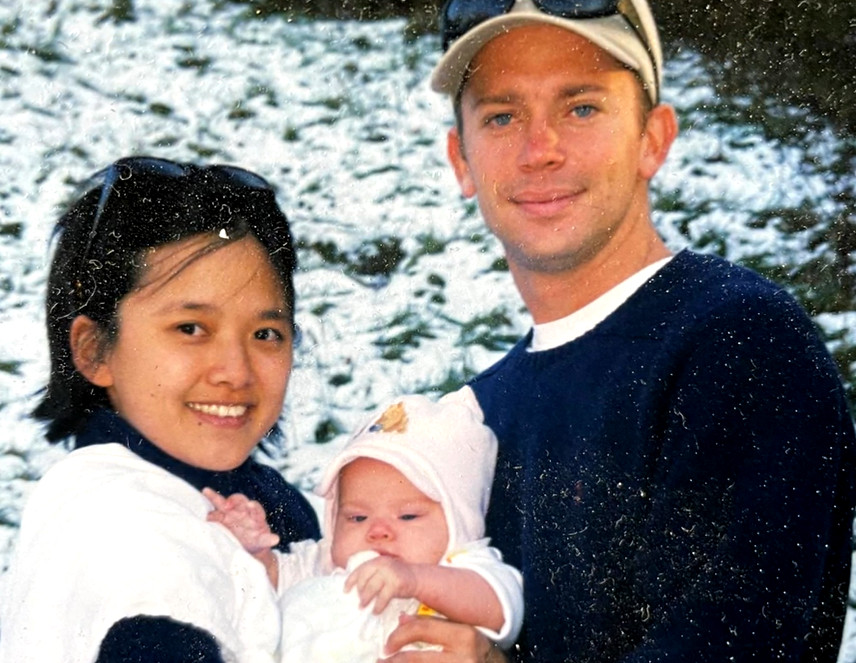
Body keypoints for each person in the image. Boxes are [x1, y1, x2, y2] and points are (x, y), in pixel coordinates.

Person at [428, 0, 856, 661]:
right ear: (462, 160)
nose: (540, 149)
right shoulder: (478, 416)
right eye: (502, 115)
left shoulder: (742, 346)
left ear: (652, 139)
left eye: (581, 107)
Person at [0, 156, 321, 663]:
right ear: (94, 350)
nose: (235, 371)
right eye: (191, 328)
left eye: (265, 334)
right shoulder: (131, 540)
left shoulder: (246, 494)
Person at [206, 393, 524, 663]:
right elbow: (271, 585)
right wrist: (254, 553)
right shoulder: (327, 565)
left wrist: (416, 581)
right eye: (357, 518)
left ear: (460, 522)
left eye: (408, 516)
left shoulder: (464, 567)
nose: (378, 531)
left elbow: (500, 609)